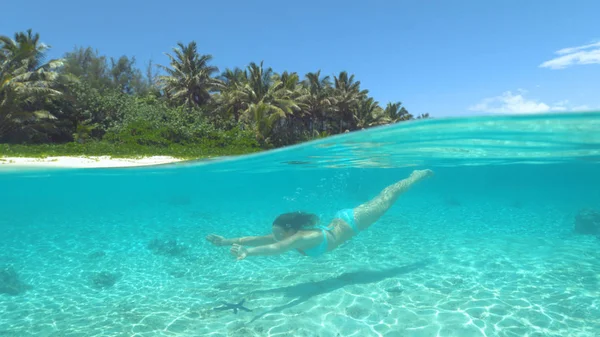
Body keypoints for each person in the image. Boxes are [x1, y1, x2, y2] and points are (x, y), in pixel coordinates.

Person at [206, 169, 433, 260]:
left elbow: (277, 248)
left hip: (353, 221)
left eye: (278, 232)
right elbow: (257, 238)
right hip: (340, 221)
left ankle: (414, 177)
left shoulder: (303, 238)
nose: (274, 236)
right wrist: (225, 242)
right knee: (383, 200)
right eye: (274, 233)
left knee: (387, 199)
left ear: (291, 230)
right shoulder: (287, 235)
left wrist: (248, 252)